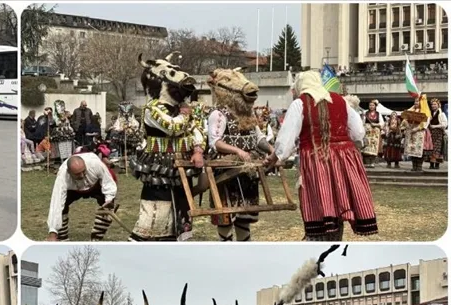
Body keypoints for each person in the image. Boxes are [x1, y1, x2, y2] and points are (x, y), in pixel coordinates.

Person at [266, 71, 378, 241]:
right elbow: (358, 133)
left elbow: (285, 141)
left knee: (322, 207)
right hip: (345, 159)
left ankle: (321, 240)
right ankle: (334, 238)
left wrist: (273, 158)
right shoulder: (340, 100)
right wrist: (344, 149)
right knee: (339, 205)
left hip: (317, 160)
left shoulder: (300, 103)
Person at [132, 52, 205, 241]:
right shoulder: (152, 109)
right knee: (154, 216)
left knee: (180, 216)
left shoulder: (183, 108)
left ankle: (174, 241)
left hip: (182, 169)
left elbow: (198, 130)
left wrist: (197, 150)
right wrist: (186, 115)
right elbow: (173, 127)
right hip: (160, 169)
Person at [206, 68, 272, 241]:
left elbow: (258, 138)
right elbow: (215, 142)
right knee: (226, 218)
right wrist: (237, 150)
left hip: (247, 173)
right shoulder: (218, 113)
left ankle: (245, 247)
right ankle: (226, 247)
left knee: (244, 218)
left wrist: (272, 150)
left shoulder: (248, 114)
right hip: (225, 172)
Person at [45, 152, 117, 241]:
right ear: (69, 172)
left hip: (96, 184)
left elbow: (108, 183)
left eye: (84, 171)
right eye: (78, 174)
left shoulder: (96, 164)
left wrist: (109, 200)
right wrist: (53, 232)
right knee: (62, 209)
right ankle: (62, 239)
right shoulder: (63, 176)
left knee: (107, 209)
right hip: (73, 189)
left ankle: (96, 239)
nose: (82, 175)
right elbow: (57, 203)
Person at [402, 95, 433, 172]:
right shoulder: (412, 110)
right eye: (415, 101)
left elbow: (426, 122)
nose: (416, 103)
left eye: (417, 101)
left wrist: (417, 128)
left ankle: (419, 166)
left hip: (420, 132)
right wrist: (407, 124)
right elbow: (405, 119)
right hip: (411, 132)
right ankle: (414, 165)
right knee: (412, 150)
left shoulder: (425, 111)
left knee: (420, 150)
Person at [362, 99, 384, 168]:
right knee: (366, 147)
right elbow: (362, 123)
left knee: (374, 147)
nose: (371, 106)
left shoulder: (378, 114)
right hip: (367, 133)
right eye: (370, 105)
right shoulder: (365, 113)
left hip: (375, 134)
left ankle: (372, 162)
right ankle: (367, 162)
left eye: (373, 105)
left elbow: (382, 123)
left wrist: (376, 125)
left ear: (375, 106)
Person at [428, 98, 447, 169]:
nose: (433, 106)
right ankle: (431, 163)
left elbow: (444, 124)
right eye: (432, 104)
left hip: (438, 133)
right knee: (431, 148)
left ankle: (437, 164)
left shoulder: (441, 114)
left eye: (435, 104)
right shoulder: (430, 114)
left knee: (438, 149)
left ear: (438, 105)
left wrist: (434, 126)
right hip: (431, 133)